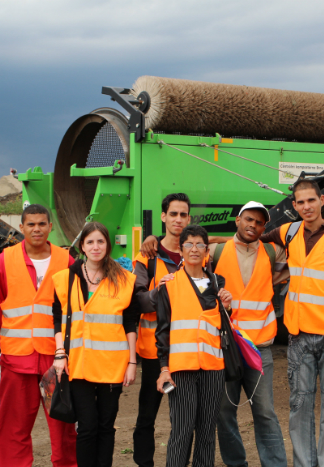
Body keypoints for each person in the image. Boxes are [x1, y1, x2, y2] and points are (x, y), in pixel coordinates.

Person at [257, 179, 324, 467]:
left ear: (322, 200)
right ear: (294, 206)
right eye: (300, 202)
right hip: (299, 335)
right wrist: (204, 242)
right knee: (299, 407)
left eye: (311, 201)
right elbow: (248, 238)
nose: (306, 207)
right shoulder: (288, 232)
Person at [0, 204, 77, 467]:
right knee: (12, 430)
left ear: (50, 227)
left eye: (42, 224)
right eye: (31, 224)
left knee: (64, 429)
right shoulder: (3, 261)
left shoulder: (67, 260)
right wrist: (6, 345)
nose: (36, 229)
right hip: (17, 362)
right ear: (22, 228)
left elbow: (75, 310)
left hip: (56, 362)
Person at [51, 222, 139, 467]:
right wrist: (60, 354)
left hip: (113, 365)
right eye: (90, 242)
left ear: (108, 245)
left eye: (101, 241)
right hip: (79, 365)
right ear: (82, 246)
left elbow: (130, 323)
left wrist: (132, 362)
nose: (96, 247)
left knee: (106, 427)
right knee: (87, 427)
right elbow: (58, 319)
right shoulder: (64, 279)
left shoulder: (124, 279)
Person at [209, 201, 288, 467]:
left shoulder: (272, 251)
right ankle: (236, 463)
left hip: (259, 348)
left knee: (265, 412)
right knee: (224, 412)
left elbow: (304, 249)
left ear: (265, 227)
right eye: (248, 219)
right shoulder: (215, 252)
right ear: (237, 221)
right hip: (226, 347)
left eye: (259, 222)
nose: (252, 225)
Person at [155, 224, 233, 467]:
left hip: (213, 369)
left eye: (200, 244)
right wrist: (164, 369)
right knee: (182, 431)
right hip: (181, 370)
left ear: (207, 250)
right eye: (189, 244)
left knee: (208, 431)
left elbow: (225, 326)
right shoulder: (168, 285)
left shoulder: (218, 284)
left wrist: (229, 306)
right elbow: (162, 332)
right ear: (181, 250)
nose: (195, 249)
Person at [132, 193, 191, 467]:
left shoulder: (195, 254)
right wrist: (161, 290)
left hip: (187, 351)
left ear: (189, 219)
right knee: (147, 416)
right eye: (174, 214)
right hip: (155, 353)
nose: (178, 219)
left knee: (183, 418)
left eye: (183, 215)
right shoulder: (147, 256)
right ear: (163, 216)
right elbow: (140, 300)